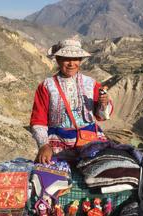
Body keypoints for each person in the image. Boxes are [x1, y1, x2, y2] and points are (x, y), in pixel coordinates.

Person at [30, 36, 113, 164]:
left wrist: (104, 103)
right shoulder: (46, 86)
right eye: (66, 59)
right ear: (58, 60)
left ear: (80, 61)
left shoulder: (91, 84)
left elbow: (101, 116)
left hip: (90, 141)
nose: (71, 64)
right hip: (57, 145)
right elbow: (38, 121)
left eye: (75, 59)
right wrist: (43, 145)